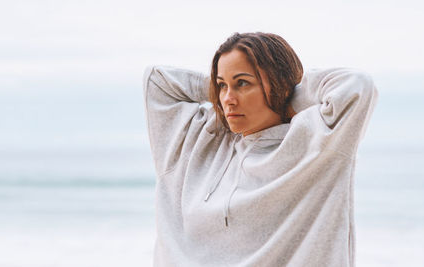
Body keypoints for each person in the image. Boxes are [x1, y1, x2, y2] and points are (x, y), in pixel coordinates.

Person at [142, 32, 378, 266]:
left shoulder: (317, 143)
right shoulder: (200, 142)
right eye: (222, 85)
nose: (228, 99)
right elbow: (156, 81)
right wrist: (216, 89)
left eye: (242, 83)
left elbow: (358, 86)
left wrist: (287, 94)